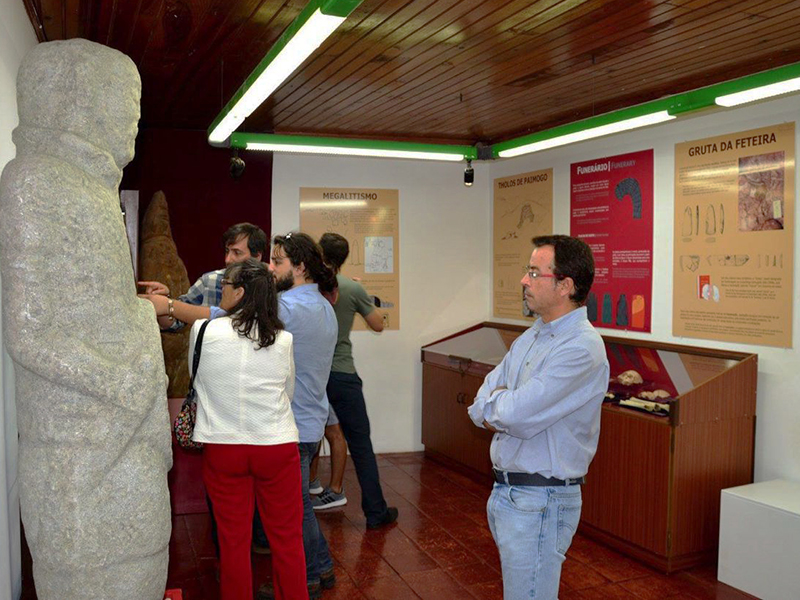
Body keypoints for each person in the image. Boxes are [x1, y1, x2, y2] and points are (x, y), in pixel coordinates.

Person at [468, 235, 609, 600]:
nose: (524, 281)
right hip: (511, 494)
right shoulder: (534, 334)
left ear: (565, 285)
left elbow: (516, 414)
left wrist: (499, 406)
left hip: (541, 498)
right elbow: (482, 397)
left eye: (535, 272)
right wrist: (498, 404)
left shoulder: (581, 347)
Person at [189, 258, 307, 600]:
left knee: (233, 542)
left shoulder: (203, 331)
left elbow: (196, 380)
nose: (220, 292)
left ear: (239, 293)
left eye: (225, 286)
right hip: (275, 445)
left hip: (222, 446)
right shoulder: (282, 339)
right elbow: (288, 392)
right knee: (286, 540)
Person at [256, 232, 338, 600]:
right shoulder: (322, 305)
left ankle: (305, 579)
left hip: (294, 424)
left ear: (300, 267)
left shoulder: (288, 308)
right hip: (311, 420)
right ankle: (322, 569)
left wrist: (174, 309)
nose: (272, 268)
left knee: (294, 512)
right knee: (300, 506)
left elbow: (233, 319)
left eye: (278, 261)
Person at [316, 233, 398, 528]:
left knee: (305, 443)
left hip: (312, 375)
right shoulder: (351, 287)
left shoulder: (307, 287)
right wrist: (368, 301)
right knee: (360, 444)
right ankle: (376, 512)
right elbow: (377, 325)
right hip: (342, 374)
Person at [138, 222, 267, 330]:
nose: (228, 259)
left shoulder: (270, 287)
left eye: (237, 253)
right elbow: (173, 322)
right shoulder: (209, 281)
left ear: (257, 257)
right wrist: (162, 302)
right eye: (227, 251)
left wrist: (170, 305)